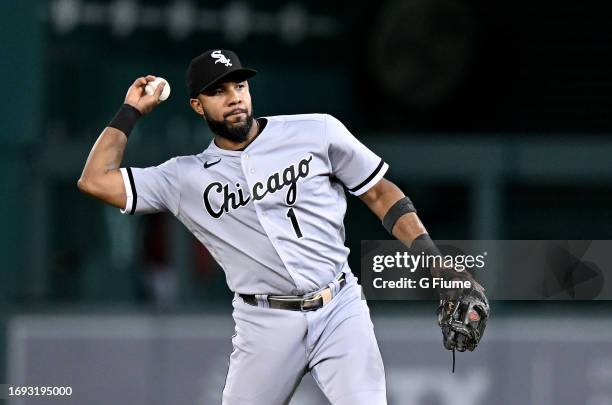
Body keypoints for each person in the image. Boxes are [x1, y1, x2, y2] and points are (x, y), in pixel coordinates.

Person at [77, 49, 488, 405]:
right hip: (264, 324)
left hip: (339, 307)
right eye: (218, 91)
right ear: (197, 106)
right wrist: (131, 111)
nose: (233, 97)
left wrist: (441, 266)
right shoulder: (184, 177)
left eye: (238, 85)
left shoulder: (316, 130)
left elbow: (381, 195)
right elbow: (94, 179)